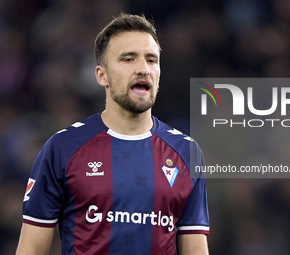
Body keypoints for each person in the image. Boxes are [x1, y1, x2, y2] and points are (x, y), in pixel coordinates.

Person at [16, 13, 209, 255]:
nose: (143, 69)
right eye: (128, 59)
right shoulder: (63, 147)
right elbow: (31, 249)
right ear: (101, 75)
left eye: (151, 60)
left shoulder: (186, 153)